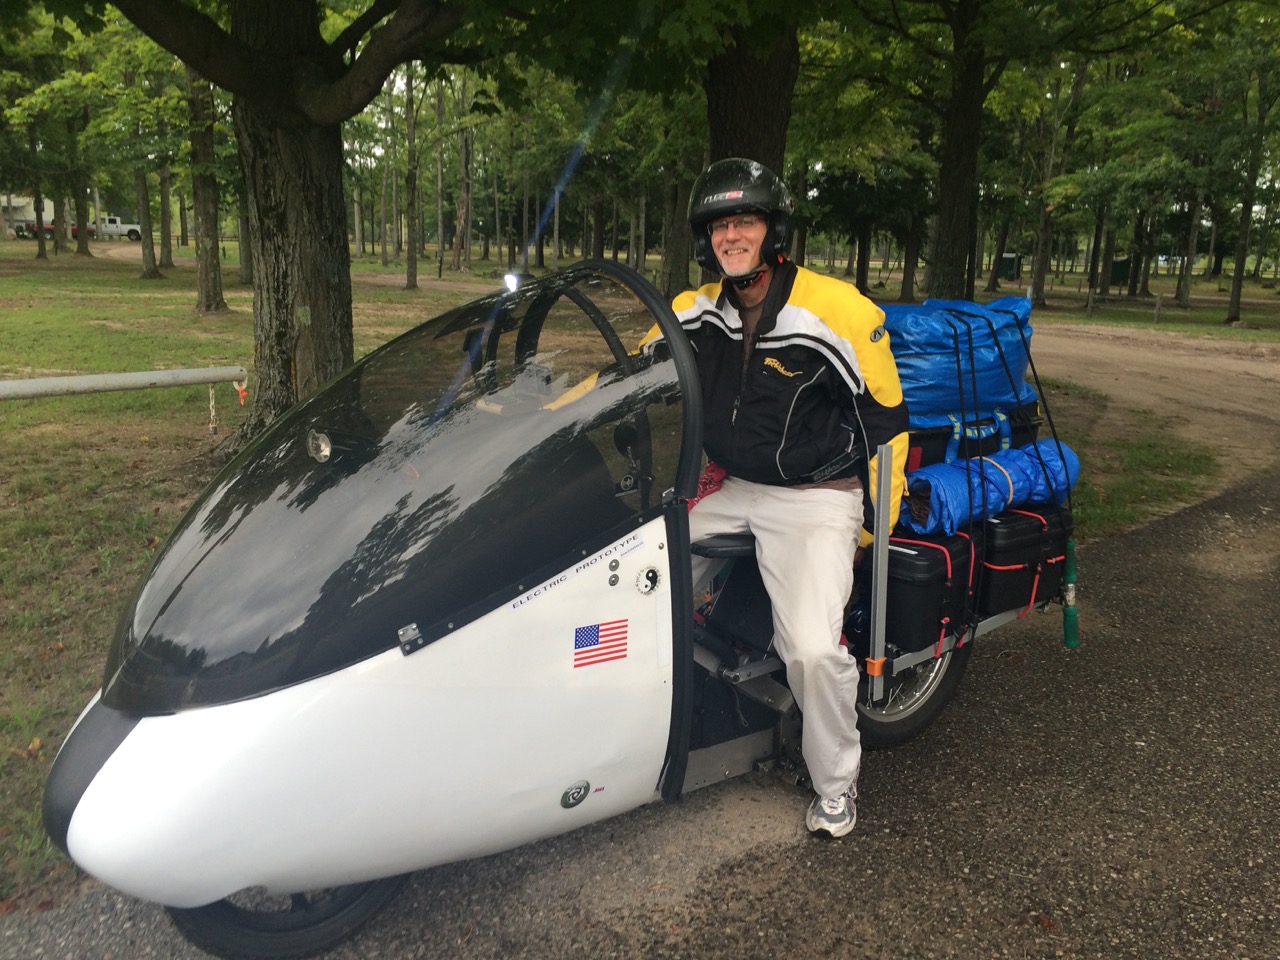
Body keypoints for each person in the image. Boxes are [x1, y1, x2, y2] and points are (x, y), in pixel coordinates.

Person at [662, 158, 909, 837]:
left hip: (816, 497)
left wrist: (870, 532)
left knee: (809, 648)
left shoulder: (838, 311)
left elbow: (887, 428)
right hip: (735, 485)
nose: (731, 236)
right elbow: (623, 379)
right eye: (719, 225)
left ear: (773, 230)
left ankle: (836, 783)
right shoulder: (694, 309)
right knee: (634, 568)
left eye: (744, 221)